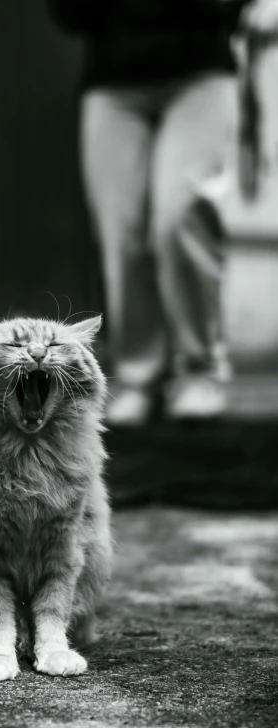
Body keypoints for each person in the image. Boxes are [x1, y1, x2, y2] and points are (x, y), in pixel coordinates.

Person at [50, 0, 278, 425]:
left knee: (179, 216)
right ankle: (139, 378)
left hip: (200, 73)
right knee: (122, 234)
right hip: (113, 82)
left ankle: (199, 370)